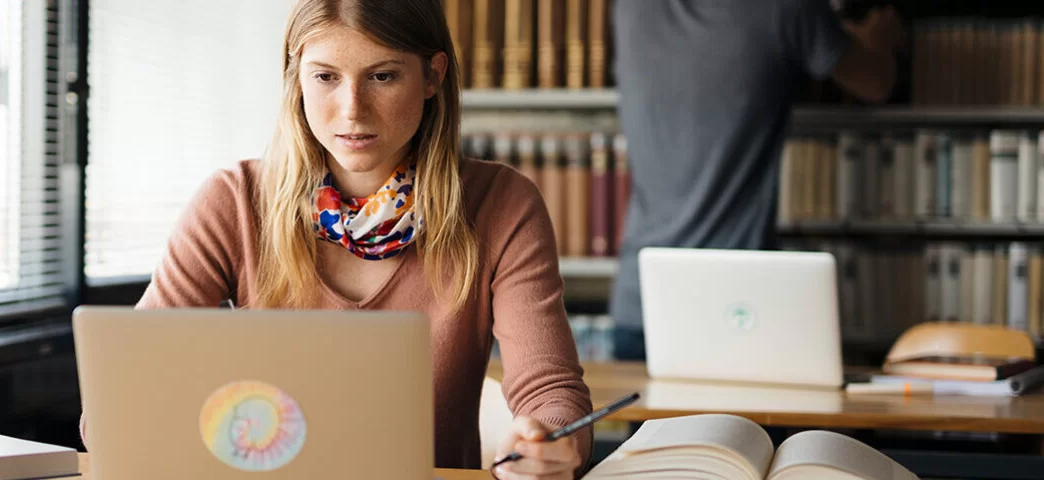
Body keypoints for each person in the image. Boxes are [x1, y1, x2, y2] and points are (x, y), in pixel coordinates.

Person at [79, 0, 593, 477]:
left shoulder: (503, 204)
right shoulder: (232, 200)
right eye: (325, 76)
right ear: (295, 78)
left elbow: (551, 391)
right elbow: (123, 397)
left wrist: (552, 442)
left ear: (432, 76)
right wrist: (124, 417)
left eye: (383, 76)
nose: (352, 110)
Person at [609, 1, 903, 360]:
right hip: (739, 313)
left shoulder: (631, 7)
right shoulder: (787, 8)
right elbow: (876, 81)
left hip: (642, 303)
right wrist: (880, 35)